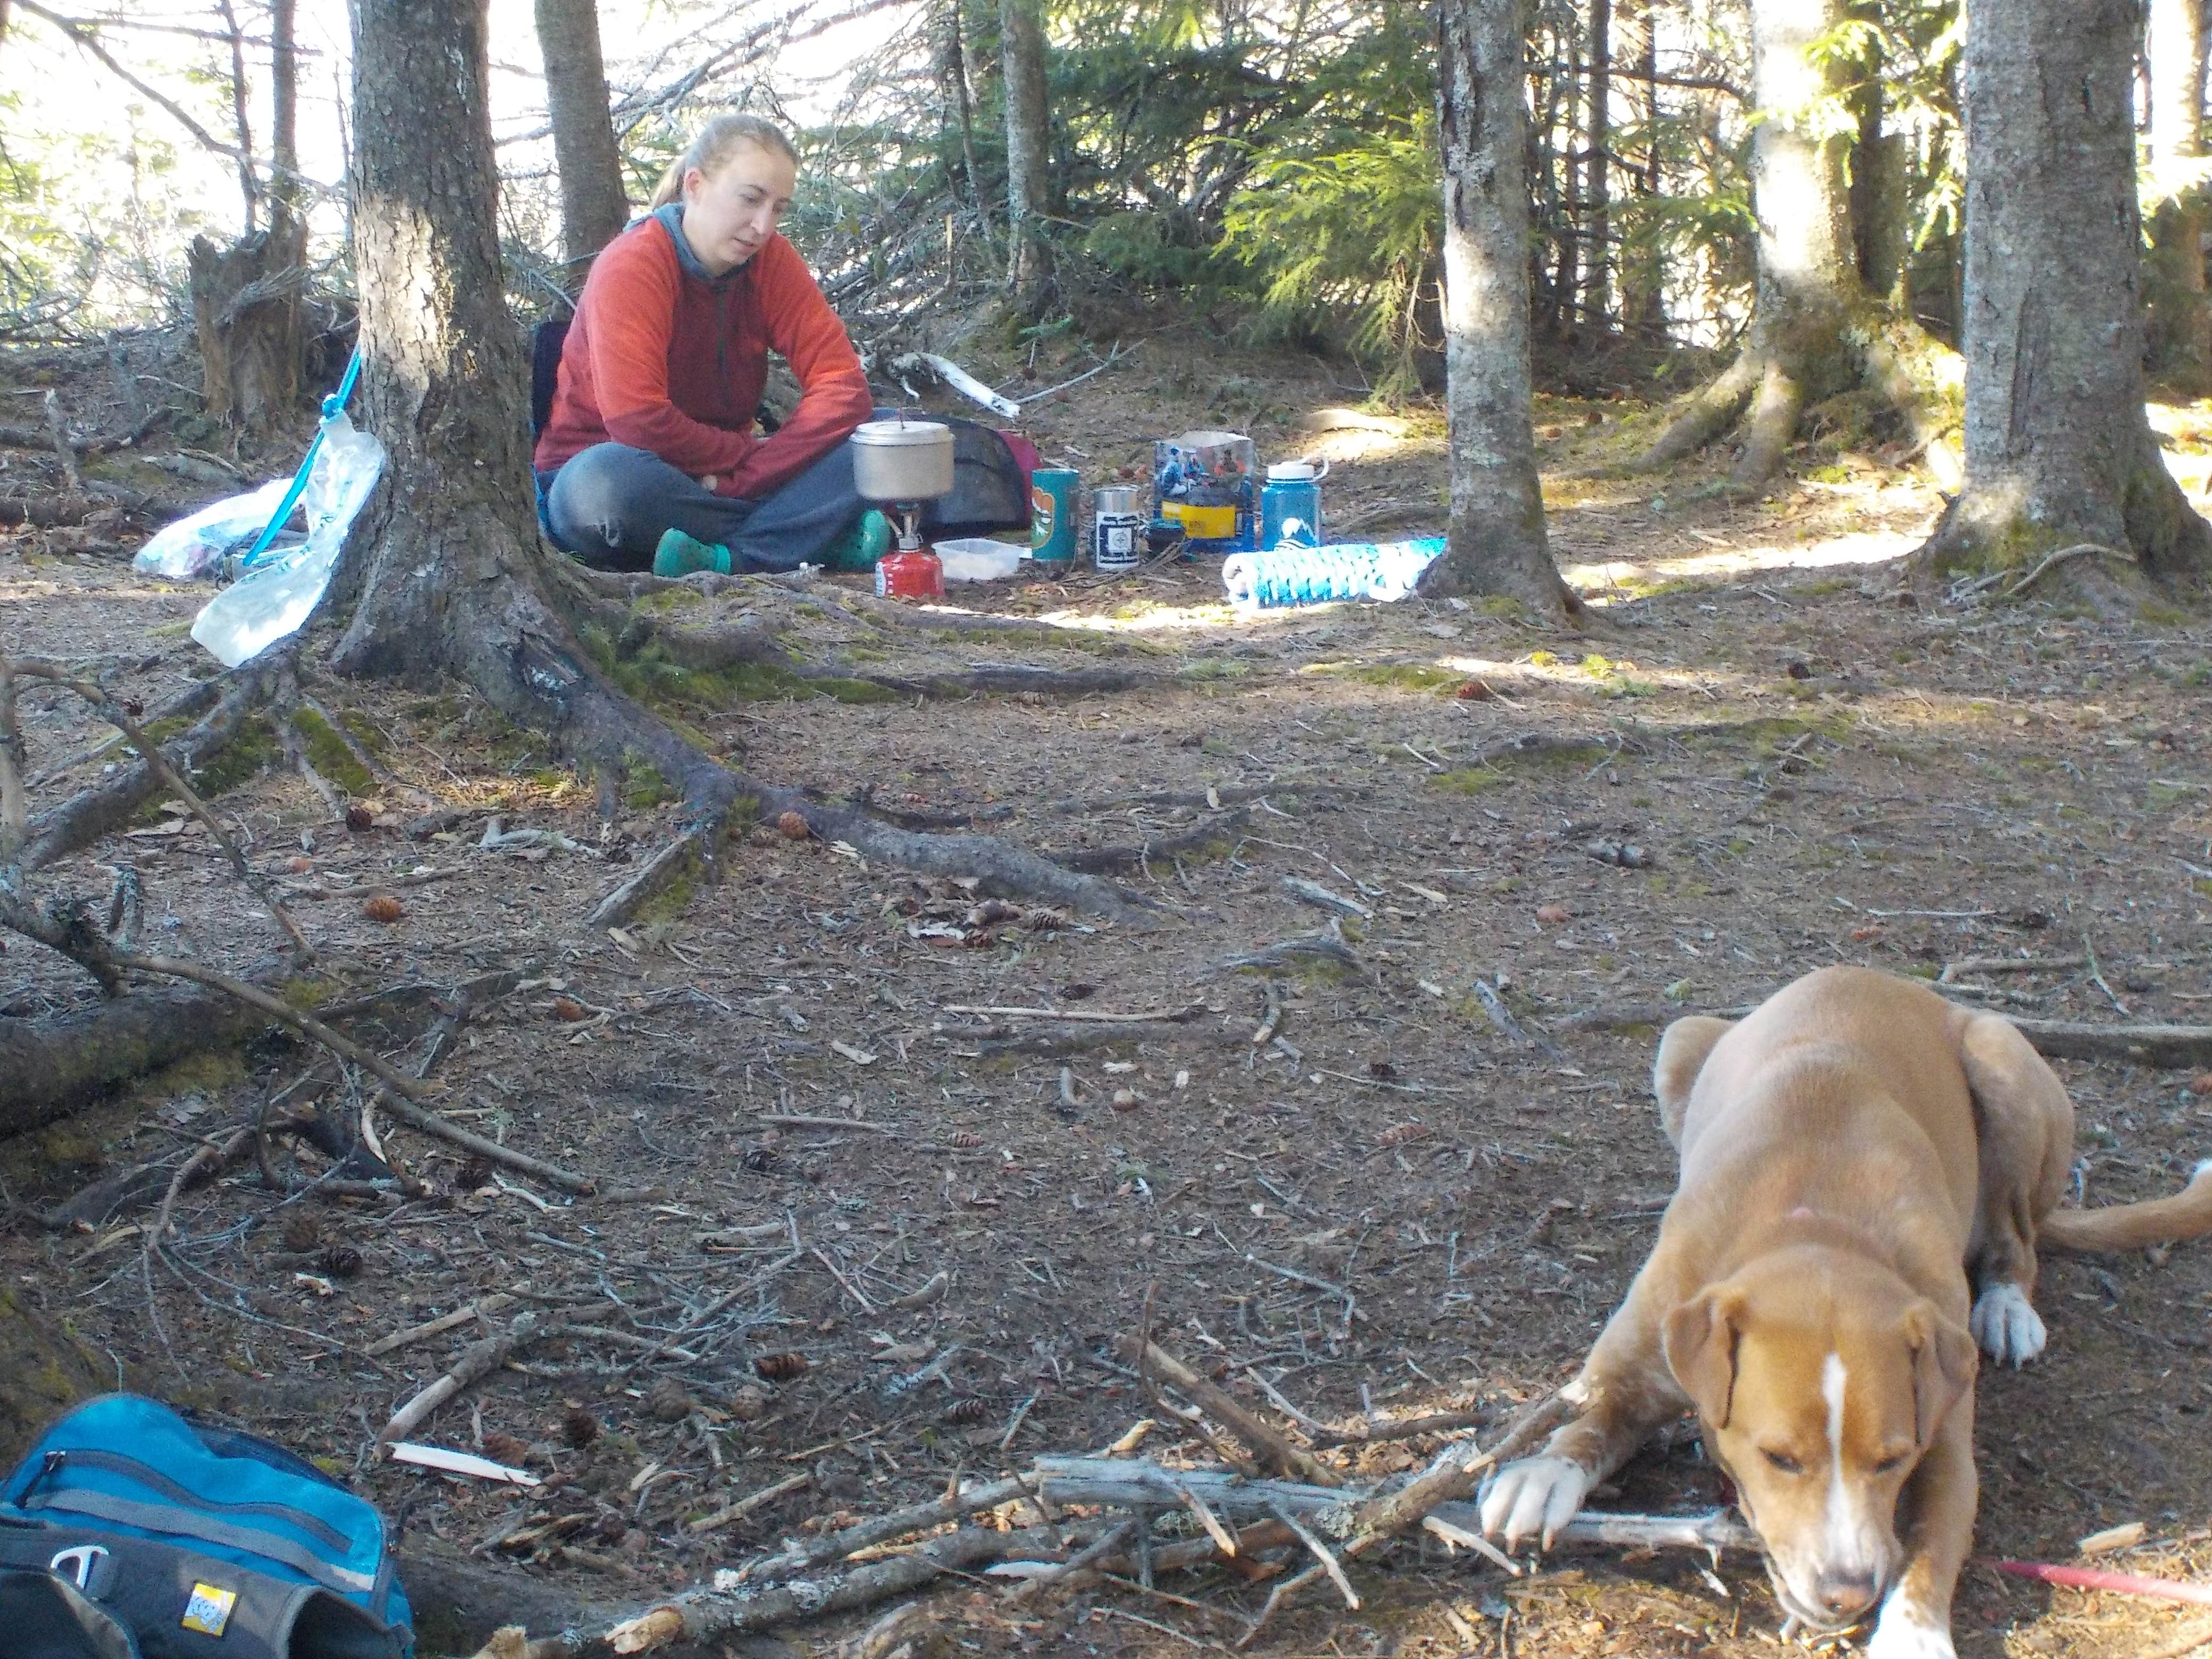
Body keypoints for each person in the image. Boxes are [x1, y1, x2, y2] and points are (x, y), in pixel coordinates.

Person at [533, 113, 888, 576]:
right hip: (628, 471)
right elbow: (636, 419)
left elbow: (843, 388)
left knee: (883, 437)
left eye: (779, 208)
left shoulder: (772, 261)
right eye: (751, 200)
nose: (762, 226)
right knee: (601, 488)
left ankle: (731, 558)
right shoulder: (635, 264)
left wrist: (750, 474)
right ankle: (813, 537)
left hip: (731, 479)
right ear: (696, 186)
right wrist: (744, 460)